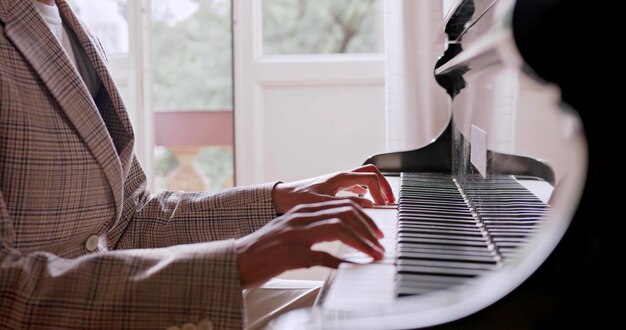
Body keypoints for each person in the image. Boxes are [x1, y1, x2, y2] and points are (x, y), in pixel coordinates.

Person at [0, 0, 395, 328]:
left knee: (362, 311)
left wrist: (278, 199)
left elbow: (129, 221)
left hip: (116, 296)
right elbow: (8, 293)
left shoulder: (71, 25)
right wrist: (239, 262)